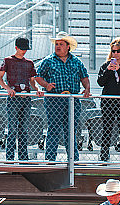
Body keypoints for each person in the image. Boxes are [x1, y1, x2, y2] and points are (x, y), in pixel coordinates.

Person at [34, 31, 92, 162]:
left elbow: (84, 77)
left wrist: (87, 88)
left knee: (71, 130)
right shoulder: (48, 60)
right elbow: (38, 76)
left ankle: (73, 159)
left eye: (61, 44)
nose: (58, 46)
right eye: (56, 44)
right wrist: (46, 85)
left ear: (68, 46)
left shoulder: (76, 62)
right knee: (54, 129)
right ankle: (50, 159)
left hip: (72, 99)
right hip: (54, 99)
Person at [0, 37, 38, 161]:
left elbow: (32, 81)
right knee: (12, 129)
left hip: (26, 98)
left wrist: (37, 89)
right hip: (13, 98)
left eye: (26, 49)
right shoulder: (8, 61)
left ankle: (23, 157)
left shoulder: (29, 63)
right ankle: (10, 157)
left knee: (24, 129)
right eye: (22, 49)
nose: (24, 51)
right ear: (16, 48)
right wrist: (7, 88)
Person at [97, 38, 120, 163]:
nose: (116, 54)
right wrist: (109, 70)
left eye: (118, 51)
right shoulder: (105, 66)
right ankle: (104, 157)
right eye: (113, 51)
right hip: (108, 102)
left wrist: (119, 69)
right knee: (107, 128)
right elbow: (100, 82)